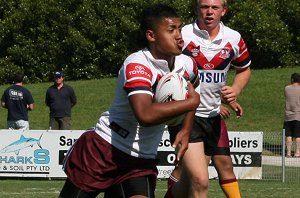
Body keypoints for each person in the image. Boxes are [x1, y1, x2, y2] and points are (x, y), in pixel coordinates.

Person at [59, 4, 200, 198]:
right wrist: (191, 103)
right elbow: (145, 115)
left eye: (179, 28)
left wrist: (186, 129)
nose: (179, 35)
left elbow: (192, 89)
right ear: (151, 36)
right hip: (105, 149)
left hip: (140, 160)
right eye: (171, 30)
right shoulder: (137, 64)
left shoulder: (187, 64)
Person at [165, 0, 251, 197]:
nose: (209, 12)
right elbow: (163, 65)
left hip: (213, 117)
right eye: (204, 7)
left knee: (188, 181)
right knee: (201, 180)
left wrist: (235, 90)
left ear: (224, 10)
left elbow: (244, 69)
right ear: (196, 9)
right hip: (186, 116)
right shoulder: (183, 35)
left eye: (215, 7)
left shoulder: (234, 38)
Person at [283, 73, 300, 158]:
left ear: (292, 79)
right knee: (298, 135)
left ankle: (288, 153)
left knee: (288, 135)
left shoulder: (287, 88)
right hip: (298, 115)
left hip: (288, 116)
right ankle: (297, 153)